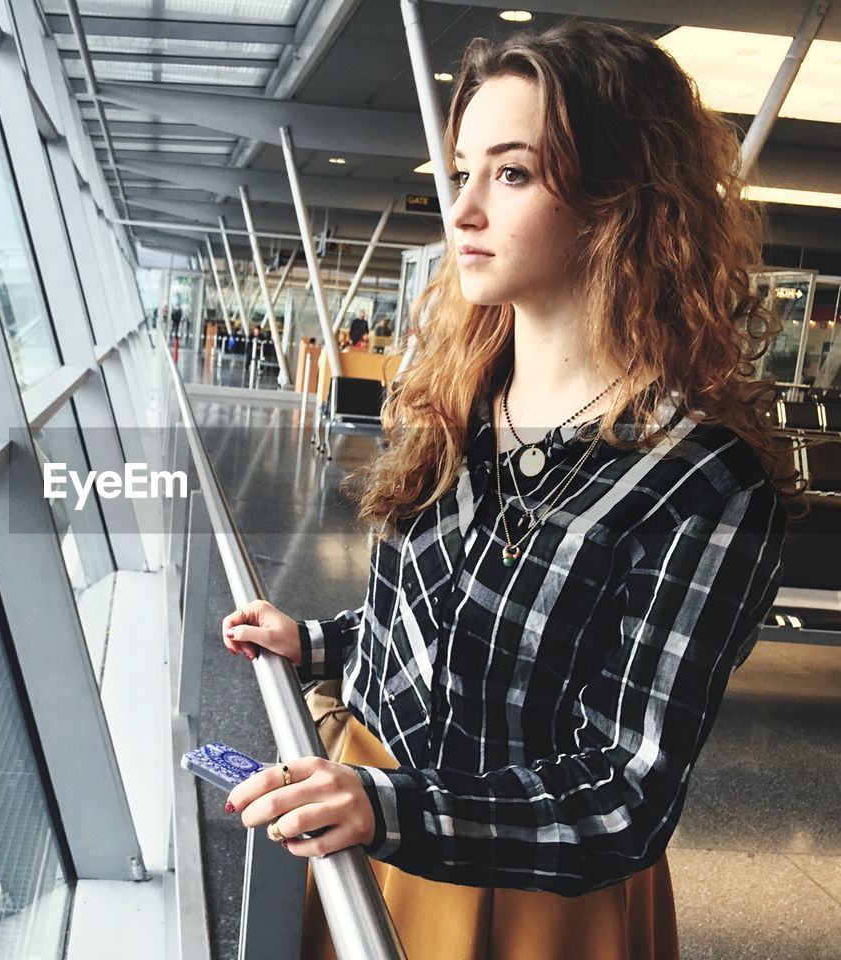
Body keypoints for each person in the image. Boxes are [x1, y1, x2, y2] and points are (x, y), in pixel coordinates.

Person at [220, 21, 802, 960]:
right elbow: (449, 623)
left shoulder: (700, 482)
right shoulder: (456, 398)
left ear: (621, 200)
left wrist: (387, 805)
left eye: (514, 173)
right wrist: (319, 640)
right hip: (368, 825)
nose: (462, 211)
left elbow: (625, 792)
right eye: (462, 169)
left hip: (523, 891)